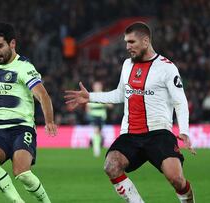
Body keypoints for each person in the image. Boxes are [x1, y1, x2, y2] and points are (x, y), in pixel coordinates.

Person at [65, 22, 196, 203]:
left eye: (132, 42)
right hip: (131, 133)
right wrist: (90, 97)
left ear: (145, 41)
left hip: (158, 132)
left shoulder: (167, 67)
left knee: (176, 179)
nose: (127, 47)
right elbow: (121, 94)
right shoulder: (127, 65)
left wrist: (184, 130)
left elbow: (180, 101)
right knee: (111, 165)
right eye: (126, 42)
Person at [0, 23, 57, 203]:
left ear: (12, 44)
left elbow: (43, 95)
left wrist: (49, 121)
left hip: (21, 129)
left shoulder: (24, 68)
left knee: (23, 174)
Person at [86, 81, 111, 157]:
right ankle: (96, 149)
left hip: (102, 116)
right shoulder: (90, 95)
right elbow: (87, 107)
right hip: (94, 116)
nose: (97, 87)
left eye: (98, 86)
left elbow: (110, 106)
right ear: (93, 87)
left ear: (101, 87)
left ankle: (97, 142)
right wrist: (88, 114)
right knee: (96, 130)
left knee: (99, 132)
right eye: (96, 86)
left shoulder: (104, 95)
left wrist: (105, 102)